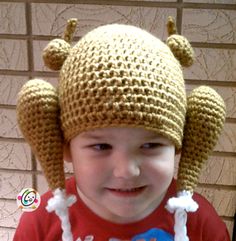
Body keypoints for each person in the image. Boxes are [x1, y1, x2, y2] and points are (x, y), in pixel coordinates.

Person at [14, 17, 230, 241]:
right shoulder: (39, 224)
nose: (126, 171)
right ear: (66, 147)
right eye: (101, 146)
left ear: (178, 145)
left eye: (150, 145)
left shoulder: (201, 225)